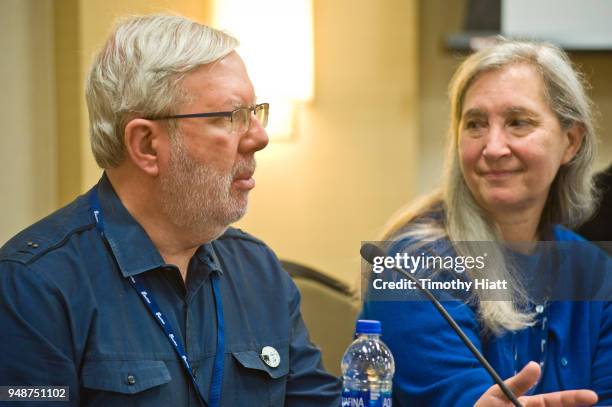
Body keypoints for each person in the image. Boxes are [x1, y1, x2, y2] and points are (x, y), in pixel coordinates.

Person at [0, 14, 340, 406]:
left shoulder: (258, 270)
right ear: (146, 144)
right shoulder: (35, 286)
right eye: (230, 117)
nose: (259, 137)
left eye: (254, 112)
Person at [361, 39, 611, 406]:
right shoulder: (413, 265)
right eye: (475, 124)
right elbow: (457, 397)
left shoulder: (594, 270)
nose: (493, 147)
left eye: (518, 123)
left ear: (570, 142)